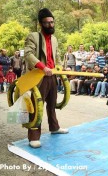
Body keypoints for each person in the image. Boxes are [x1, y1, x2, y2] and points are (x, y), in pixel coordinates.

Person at [24, 8, 68, 148]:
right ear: (40, 24)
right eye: (47, 23)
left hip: (52, 76)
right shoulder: (33, 36)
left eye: (52, 22)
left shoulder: (54, 39)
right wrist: (43, 67)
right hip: (38, 76)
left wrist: (60, 69)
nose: (50, 25)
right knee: (37, 106)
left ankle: (54, 128)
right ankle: (34, 137)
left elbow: (58, 56)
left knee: (52, 104)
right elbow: (28, 54)